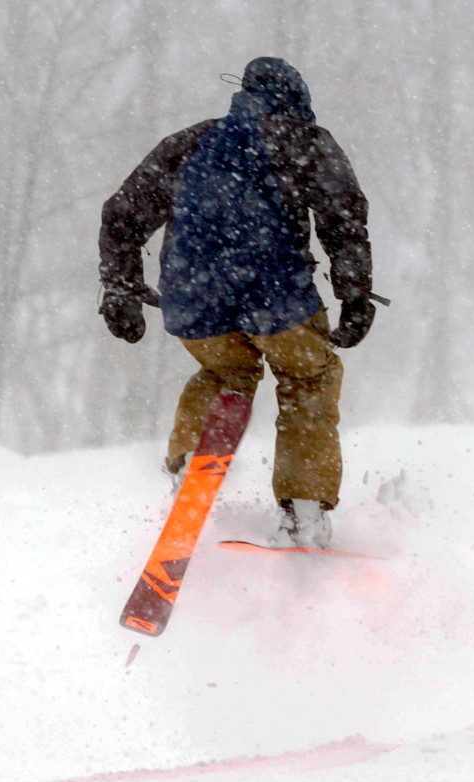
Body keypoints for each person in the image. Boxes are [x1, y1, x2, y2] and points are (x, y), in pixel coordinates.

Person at [98, 57, 380, 549]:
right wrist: (353, 293)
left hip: (193, 302)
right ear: (298, 101)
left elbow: (123, 211)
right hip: (276, 298)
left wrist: (120, 286)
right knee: (308, 378)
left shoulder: (187, 143)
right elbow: (343, 215)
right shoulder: (304, 140)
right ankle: (304, 511)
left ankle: (191, 468)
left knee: (226, 375)